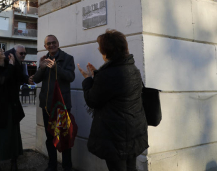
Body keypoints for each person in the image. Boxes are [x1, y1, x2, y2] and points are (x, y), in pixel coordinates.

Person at [77, 29, 148, 171]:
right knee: (131, 167)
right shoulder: (132, 68)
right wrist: (98, 75)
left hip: (115, 134)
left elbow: (92, 100)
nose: (100, 52)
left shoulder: (108, 74)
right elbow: (115, 90)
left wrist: (88, 80)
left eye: (100, 49)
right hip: (134, 129)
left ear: (108, 51)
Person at [0, 45, 31, 171]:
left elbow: (20, 77)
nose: (3, 51)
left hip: (11, 104)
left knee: (13, 134)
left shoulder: (10, 64)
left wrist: (29, 79)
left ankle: (14, 161)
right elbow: (1, 80)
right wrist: (11, 65)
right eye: (0, 50)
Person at [33, 35, 75, 171]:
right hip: (47, 107)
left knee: (65, 137)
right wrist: (42, 68)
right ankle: (52, 166)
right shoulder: (44, 59)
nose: (51, 45)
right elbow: (36, 79)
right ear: (45, 46)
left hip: (61, 106)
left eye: (53, 43)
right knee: (50, 137)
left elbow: (71, 77)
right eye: (48, 44)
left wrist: (56, 67)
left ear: (58, 43)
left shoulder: (68, 58)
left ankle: (67, 167)